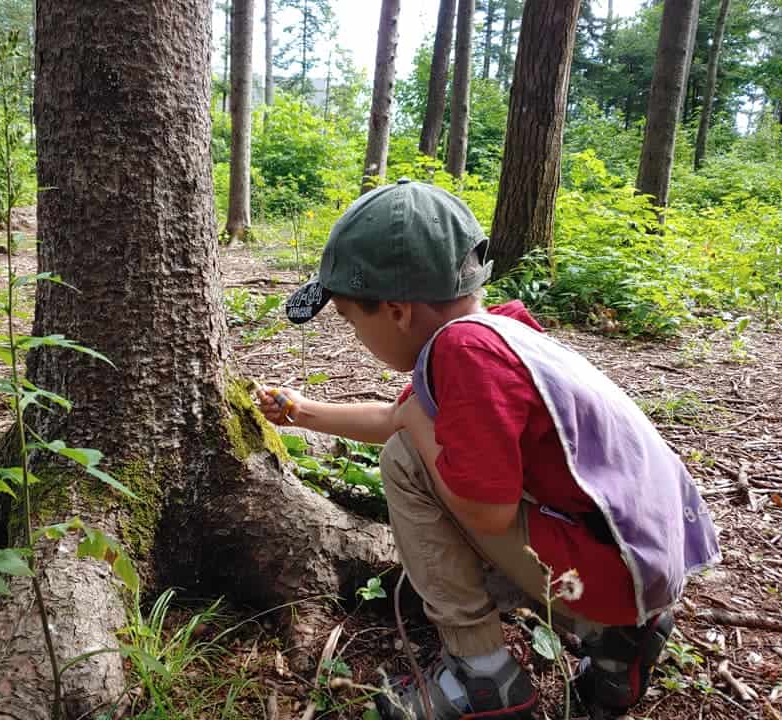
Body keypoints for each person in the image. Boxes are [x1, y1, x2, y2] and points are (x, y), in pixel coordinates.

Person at [256, 179, 721, 720]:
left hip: (608, 573)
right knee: (414, 442)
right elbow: (395, 416)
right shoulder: (492, 332)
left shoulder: (463, 354)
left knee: (405, 460)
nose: (354, 334)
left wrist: (412, 425)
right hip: (638, 561)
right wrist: (302, 411)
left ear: (398, 311)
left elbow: (486, 510)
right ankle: (618, 637)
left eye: (350, 319)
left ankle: (482, 675)